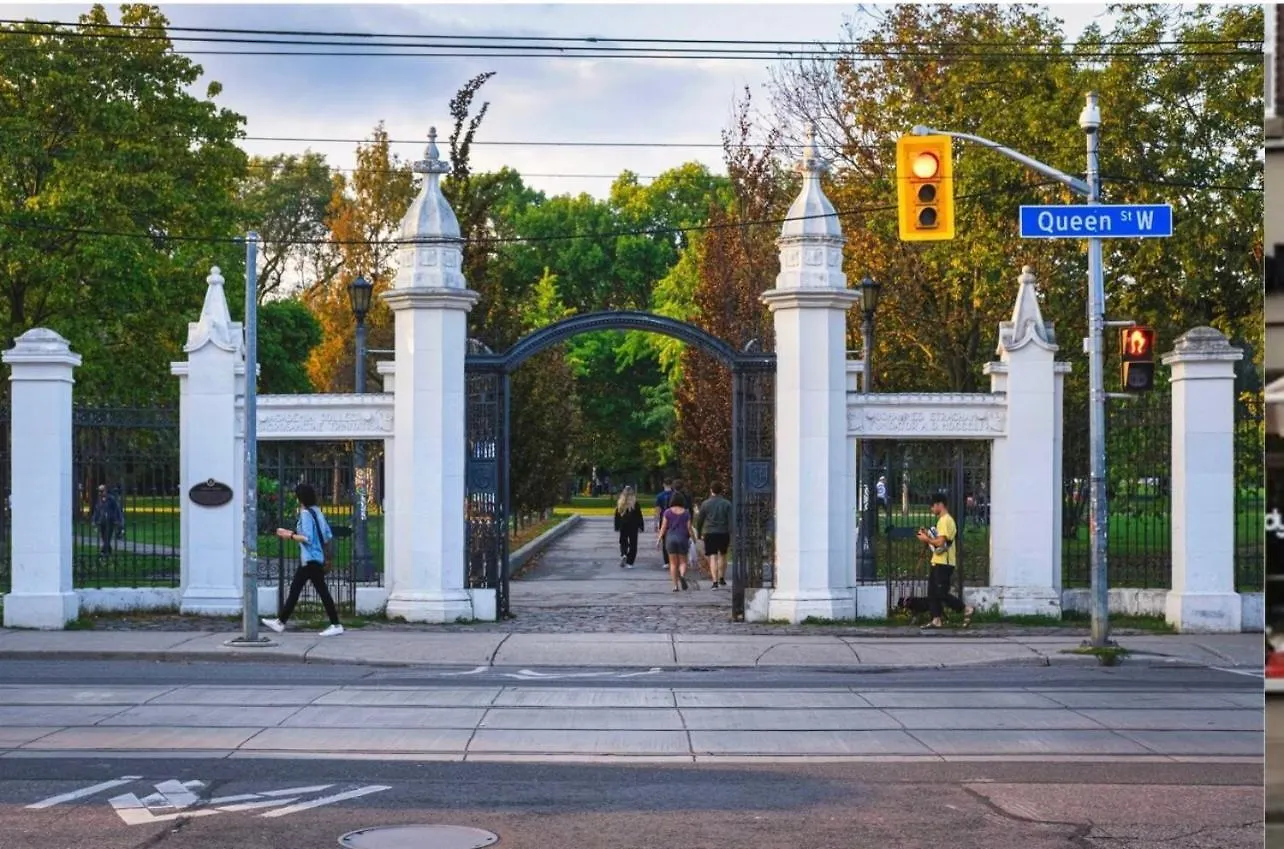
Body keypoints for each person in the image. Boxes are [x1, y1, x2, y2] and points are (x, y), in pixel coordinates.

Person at [261, 483, 344, 637]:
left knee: (305, 591)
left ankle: (335, 624)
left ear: (300, 498)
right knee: (303, 590)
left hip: (310, 559)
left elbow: (307, 538)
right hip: (316, 558)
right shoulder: (317, 512)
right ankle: (281, 622)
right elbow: (327, 535)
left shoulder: (306, 514)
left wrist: (289, 535)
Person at [915, 492, 973, 630]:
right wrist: (928, 534)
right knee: (932, 593)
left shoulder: (946, 520)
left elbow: (941, 543)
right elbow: (940, 540)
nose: (931, 509)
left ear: (940, 504)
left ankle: (966, 609)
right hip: (938, 561)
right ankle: (936, 619)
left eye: (932, 506)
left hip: (944, 563)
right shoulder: (942, 521)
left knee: (941, 593)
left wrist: (926, 539)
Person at [696, 483, 732, 588]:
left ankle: (714, 581)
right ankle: (722, 578)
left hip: (710, 532)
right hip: (723, 532)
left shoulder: (706, 504)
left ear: (711, 490)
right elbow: (731, 520)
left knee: (713, 556)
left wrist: (698, 532)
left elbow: (700, 520)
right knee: (723, 555)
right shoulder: (727, 504)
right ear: (721, 491)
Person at [657, 491, 695, 591]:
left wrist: (659, 539)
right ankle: (682, 575)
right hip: (682, 538)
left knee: (673, 564)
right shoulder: (686, 512)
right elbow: (689, 528)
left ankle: (675, 586)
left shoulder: (667, 512)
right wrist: (694, 538)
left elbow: (663, 527)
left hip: (670, 538)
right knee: (683, 562)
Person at [613, 486, 645, 569]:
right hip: (633, 525)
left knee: (623, 541)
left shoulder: (620, 503)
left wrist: (617, 526)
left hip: (623, 525)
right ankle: (630, 562)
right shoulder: (635, 503)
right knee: (633, 543)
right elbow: (639, 515)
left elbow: (617, 516)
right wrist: (641, 526)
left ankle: (624, 553)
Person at [90, 484, 125, 556]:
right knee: (104, 538)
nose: (100, 493)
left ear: (105, 491)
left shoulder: (111, 499)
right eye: (99, 491)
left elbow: (117, 510)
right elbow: (97, 511)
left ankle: (103, 552)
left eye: (101, 491)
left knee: (107, 537)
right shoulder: (99, 500)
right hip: (102, 521)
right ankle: (108, 551)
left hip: (110, 521)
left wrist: (119, 521)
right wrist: (94, 521)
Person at [654, 480, 674, 566]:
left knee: (665, 540)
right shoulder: (675, 495)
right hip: (674, 519)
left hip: (663, 519)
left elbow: (658, 511)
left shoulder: (659, 496)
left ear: (663, 484)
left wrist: (656, 522)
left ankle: (666, 561)